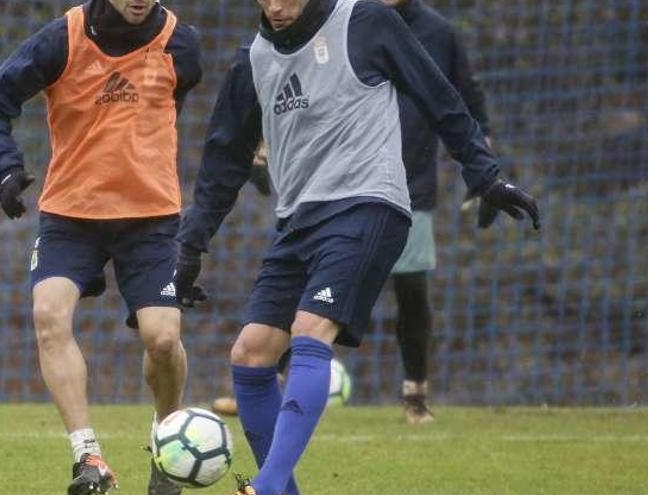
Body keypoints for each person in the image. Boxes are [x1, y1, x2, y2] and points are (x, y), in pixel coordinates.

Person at [173, 0, 540, 493]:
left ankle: (265, 486)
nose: (277, 6)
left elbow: (441, 99)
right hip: (297, 221)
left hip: (369, 204)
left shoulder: (365, 21)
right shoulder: (254, 59)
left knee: (309, 330)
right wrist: (191, 244)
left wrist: (485, 175)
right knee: (251, 354)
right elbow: (223, 161)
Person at [0, 1, 201, 493]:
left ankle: (168, 444)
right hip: (72, 216)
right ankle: (88, 458)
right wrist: (6, 168)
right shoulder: (62, 39)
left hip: (151, 218)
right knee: (48, 314)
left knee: (162, 339)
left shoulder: (182, 45)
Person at [381, 0, 500, 424]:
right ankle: (271, 379)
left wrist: (486, 175)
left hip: (411, 186)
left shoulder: (438, 32)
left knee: (411, 292)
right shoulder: (348, 21)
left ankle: (415, 392)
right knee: (311, 284)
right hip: (345, 183)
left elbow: (468, 101)